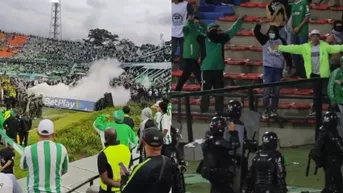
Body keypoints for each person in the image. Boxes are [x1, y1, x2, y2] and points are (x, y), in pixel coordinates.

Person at [273, 29, 343, 117]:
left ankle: (331, 111)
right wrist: (279, 47)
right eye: (313, 36)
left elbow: (337, 48)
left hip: (324, 75)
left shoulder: (325, 46)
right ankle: (315, 111)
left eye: (317, 36)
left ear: (319, 37)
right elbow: (293, 48)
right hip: (313, 74)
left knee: (328, 93)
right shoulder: (305, 47)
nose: (315, 38)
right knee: (316, 95)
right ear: (310, 37)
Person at [198, 15, 245, 113]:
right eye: (215, 29)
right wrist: (239, 20)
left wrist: (239, 20)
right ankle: (207, 110)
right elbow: (232, 31)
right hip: (212, 69)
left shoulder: (207, 38)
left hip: (212, 69)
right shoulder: (209, 39)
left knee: (215, 91)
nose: (216, 31)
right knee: (213, 91)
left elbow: (232, 31)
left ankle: (211, 110)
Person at [254, 21, 292, 119]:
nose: (271, 33)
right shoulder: (265, 40)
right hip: (268, 69)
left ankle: (274, 110)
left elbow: (287, 54)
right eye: (270, 31)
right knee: (266, 91)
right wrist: (259, 24)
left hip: (278, 70)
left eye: (273, 32)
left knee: (276, 92)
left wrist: (289, 65)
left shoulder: (282, 41)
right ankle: (265, 110)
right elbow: (256, 33)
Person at [20, 119, 69, 193]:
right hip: (56, 190)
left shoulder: (28, 149)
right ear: (53, 133)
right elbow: (64, 170)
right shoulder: (61, 148)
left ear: (37, 133)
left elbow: (23, 167)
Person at [121, 128, 173, 193]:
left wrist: (123, 177)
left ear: (144, 143)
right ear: (162, 144)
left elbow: (125, 190)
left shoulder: (141, 168)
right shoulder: (168, 162)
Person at [223, 100, 258, 192]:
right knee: (242, 179)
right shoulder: (234, 124)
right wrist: (249, 144)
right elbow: (238, 140)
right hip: (235, 157)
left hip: (224, 157)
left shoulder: (224, 122)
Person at [198, 116, 240, 193]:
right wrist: (233, 133)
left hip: (210, 172)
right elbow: (235, 145)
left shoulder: (207, 140)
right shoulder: (220, 143)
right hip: (220, 174)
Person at [311, 111, 343, 193]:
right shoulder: (330, 133)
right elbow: (340, 147)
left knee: (331, 180)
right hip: (332, 160)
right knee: (335, 183)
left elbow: (316, 150)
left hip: (327, 160)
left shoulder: (323, 131)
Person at [174, 16, 204, 91]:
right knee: (198, 74)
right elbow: (185, 27)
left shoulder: (199, 32)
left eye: (198, 23)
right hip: (189, 56)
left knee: (186, 75)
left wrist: (202, 24)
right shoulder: (188, 30)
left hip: (194, 56)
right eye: (195, 22)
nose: (196, 24)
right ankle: (205, 90)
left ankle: (177, 90)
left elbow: (206, 31)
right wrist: (189, 22)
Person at [98, 128, 131, 193]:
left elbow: (105, 179)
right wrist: (123, 184)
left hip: (108, 190)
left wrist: (120, 185)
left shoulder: (103, 154)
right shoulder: (126, 149)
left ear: (105, 138)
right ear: (116, 137)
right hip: (123, 189)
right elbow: (128, 168)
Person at [290, 0, 310, 78]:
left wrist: (299, 26)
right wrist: (291, 27)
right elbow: (292, 17)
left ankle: (304, 72)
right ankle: (298, 70)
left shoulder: (304, 2)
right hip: (294, 31)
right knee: (294, 52)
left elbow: (307, 16)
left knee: (303, 52)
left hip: (302, 31)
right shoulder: (293, 4)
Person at [172, 0, 194, 68]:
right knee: (172, 50)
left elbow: (190, 15)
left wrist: (190, 19)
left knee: (183, 51)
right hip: (171, 32)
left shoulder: (186, 5)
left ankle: (182, 68)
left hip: (183, 31)